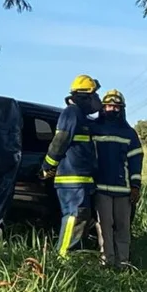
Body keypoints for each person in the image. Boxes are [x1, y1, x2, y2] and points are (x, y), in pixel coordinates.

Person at [40, 74, 102, 258]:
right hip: (72, 180)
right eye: (95, 95)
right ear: (85, 96)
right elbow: (60, 141)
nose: (97, 100)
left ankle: (74, 255)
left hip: (82, 181)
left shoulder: (82, 117)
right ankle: (64, 257)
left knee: (81, 219)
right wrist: (47, 166)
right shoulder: (71, 113)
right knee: (74, 217)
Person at [91, 89, 144, 268]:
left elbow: (136, 160)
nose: (111, 109)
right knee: (104, 227)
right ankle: (106, 262)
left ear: (121, 109)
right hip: (101, 189)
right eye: (108, 105)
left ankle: (123, 263)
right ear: (102, 107)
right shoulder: (94, 129)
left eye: (115, 106)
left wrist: (135, 186)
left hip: (123, 190)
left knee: (123, 228)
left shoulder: (129, 133)